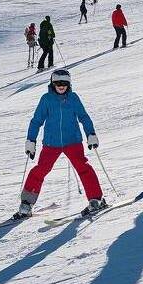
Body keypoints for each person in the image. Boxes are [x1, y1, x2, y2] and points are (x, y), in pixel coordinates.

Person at [15, 69, 105, 219]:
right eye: (58, 83)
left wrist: (91, 134)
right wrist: (31, 140)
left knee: (83, 168)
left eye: (64, 83)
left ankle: (96, 199)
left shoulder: (73, 98)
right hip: (52, 143)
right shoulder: (46, 99)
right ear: (52, 83)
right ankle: (26, 204)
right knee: (41, 170)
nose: (61, 86)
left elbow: (83, 117)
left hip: (72, 141)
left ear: (69, 85)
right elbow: (36, 121)